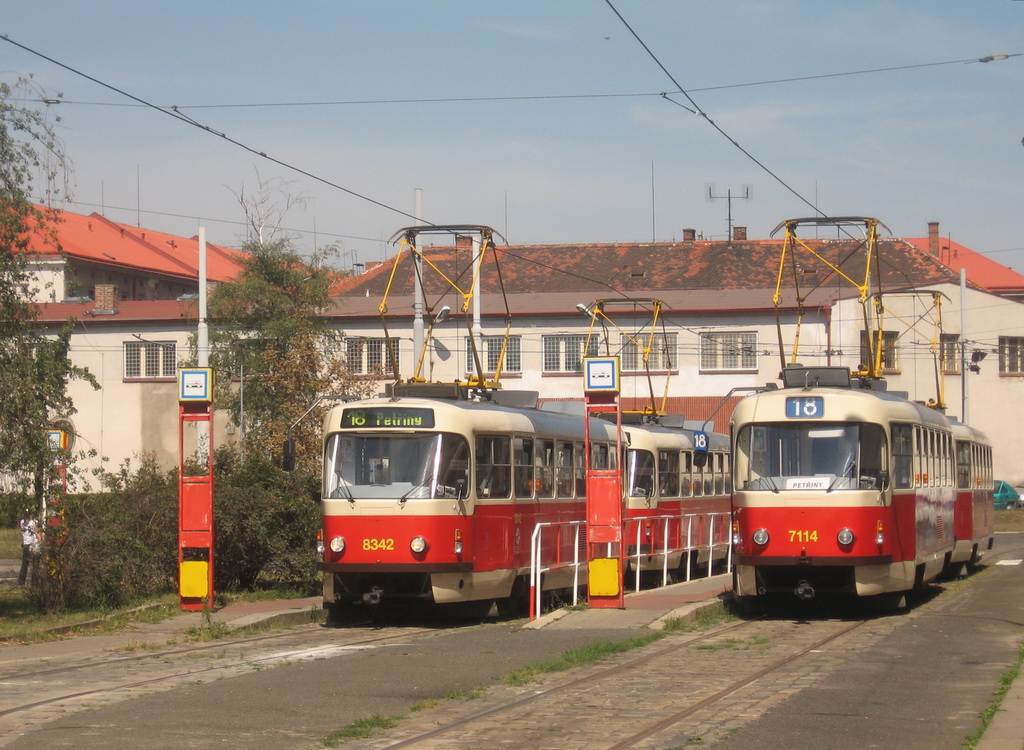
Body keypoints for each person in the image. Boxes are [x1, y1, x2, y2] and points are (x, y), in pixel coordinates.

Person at [18, 509, 40, 586]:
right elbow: (36, 532)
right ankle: (34, 582)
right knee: (35, 563)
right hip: (33, 544)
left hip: (26, 544)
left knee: (25, 563)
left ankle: (21, 581)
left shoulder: (22, 522)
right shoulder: (33, 522)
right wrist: (41, 540)